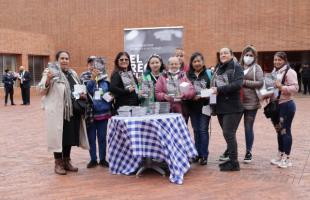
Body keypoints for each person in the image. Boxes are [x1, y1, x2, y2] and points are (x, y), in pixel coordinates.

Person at [38, 51, 89, 175]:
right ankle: (58, 163)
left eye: (66, 58)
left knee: (69, 137)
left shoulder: (73, 73)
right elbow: (40, 90)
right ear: (57, 60)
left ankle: (67, 160)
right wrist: (48, 79)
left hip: (72, 111)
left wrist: (82, 94)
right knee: (58, 138)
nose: (65, 60)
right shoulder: (49, 72)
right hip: (58, 112)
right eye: (62, 58)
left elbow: (78, 88)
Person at [211, 47, 244, 171]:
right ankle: (231, 159)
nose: (223, 54)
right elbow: (214, 85)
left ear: (231, 55)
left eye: (226, 53)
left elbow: (237, 85)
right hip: (220, 107)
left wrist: (219, 90)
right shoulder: (218, 68)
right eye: (221, 53)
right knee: (227, 134)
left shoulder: (237, 67)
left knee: (228, 133)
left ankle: (234, 162)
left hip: (233, 106)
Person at [269, 52, 298, 168]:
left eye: (279, 60)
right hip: (275, 106)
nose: (276, 62)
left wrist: (281, 87)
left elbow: (295, 88)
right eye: (275, 60)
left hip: (286, 105)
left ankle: (287, 158)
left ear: (285, 60)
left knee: (285, 131)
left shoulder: (290, 72)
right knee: (279, 130)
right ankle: (280, 154)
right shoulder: (273, 72)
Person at [185, 52, 211, 165]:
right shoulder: (187, 75)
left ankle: (204, 155)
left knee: (203, 130)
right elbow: (184, 90)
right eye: (194, 61)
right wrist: (190, 95)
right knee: (196, 131)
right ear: (191, 63)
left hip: (205, 106)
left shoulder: (209, 74)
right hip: (192, 107)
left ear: (203, 62)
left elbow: (213, 90)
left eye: (199, 61)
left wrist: (202, 95)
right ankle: (197, 153)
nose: (197, 63)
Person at [239, 45, 264, 163]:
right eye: (246, 55)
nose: (248, 57)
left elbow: (260, 82)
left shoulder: (257, 68)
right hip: (237, 102)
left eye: (251, 55)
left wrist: (244, 82)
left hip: (251, 102)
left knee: (248, 127)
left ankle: (248, 151)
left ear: (254, 57)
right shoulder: (238, 66)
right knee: (231, 128)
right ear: (243, 55)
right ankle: (230, 149)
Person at [86, 58, 112, 168]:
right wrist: (92, 79)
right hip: (90, 113)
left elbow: (111, 93)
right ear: (88, 65)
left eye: (97, 64)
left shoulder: (106, 80)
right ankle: (93, 159)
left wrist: (111, 96)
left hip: (103, 113)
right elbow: (86, 92)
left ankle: (102, 159)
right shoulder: (84, 78)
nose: (94, 66)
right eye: (92, 64)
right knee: (91, 138)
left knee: (102, 137)